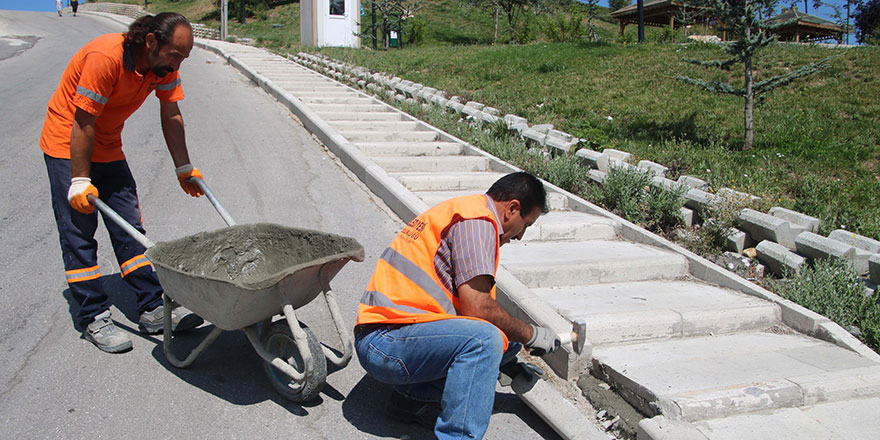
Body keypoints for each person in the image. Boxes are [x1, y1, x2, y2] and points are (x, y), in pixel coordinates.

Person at [40, 12, 205, 353]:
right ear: (150, 42)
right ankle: (93, 315)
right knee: (79, 230)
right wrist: (80, 179)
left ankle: (151, 306)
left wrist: (183, 166)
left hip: (108, 144)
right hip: (67, 143)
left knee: (130, 227)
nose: (178, 64)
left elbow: (171, 112)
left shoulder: (163, 67)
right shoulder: (106, 58)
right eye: (175, 54)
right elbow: (83, 122)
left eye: (184, 58)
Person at [354, 172, 562, 439]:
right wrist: (533, 334)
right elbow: (478, 309)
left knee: (505, 340)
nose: (520, 236)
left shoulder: (468, 211)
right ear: (512, 208)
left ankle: (410, 399)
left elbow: (475, 313)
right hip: (385, 343)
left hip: (396, 336)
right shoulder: (477, 223)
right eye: (526, 225)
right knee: (485, 341)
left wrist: (511, 357)